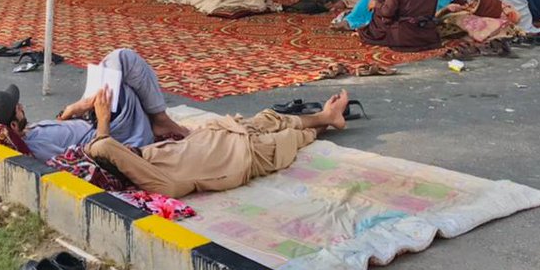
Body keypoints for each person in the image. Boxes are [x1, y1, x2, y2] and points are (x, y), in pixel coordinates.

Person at [86, 85, 350, 198]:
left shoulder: (146, 155)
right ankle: (327, 121)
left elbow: (106, 149)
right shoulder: (157, 182)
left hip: (226, 133)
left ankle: (326, 116)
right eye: (123, 152)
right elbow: (102, 146)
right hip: (243, 156)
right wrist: (103, 121)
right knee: (290, 139)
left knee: (268, 118)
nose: (126, 147)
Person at [0, 48, 189, 162]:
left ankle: (156, 118)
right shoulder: (37, 148)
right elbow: (89, 157)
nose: (21, 106)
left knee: (113, 68)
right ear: (13, 126)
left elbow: (62, 133)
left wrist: (73, 109)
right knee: (124, 60)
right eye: (17, 108)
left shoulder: (27, 133)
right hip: (109, 132)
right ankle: (160, 121)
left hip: (87, 117)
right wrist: (103, 119)